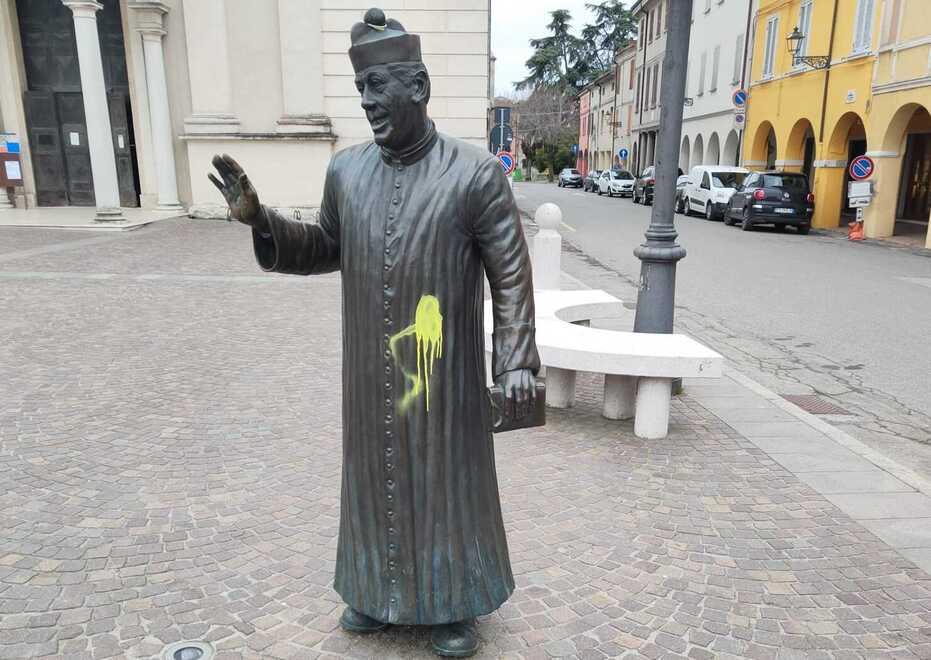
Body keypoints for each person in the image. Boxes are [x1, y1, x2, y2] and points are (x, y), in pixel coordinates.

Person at [209, 8, 540, 658]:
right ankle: (370, 589)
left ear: (416, 87)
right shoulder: (346, 172)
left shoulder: (474, 175)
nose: (366, 102)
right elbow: (325, 245)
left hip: (441, 376)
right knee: (370, 478)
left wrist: (516, 363)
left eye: (378, 87)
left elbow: (512, 277)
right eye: (360, 89)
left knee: (445, 479)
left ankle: (452, 602)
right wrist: (261, 220)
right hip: (368, 369)